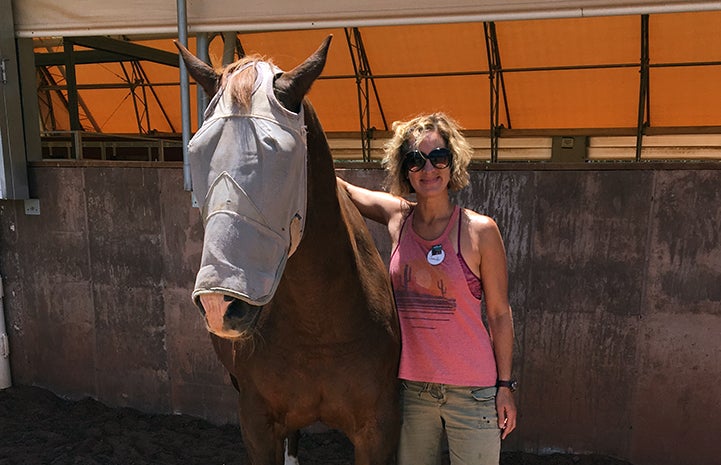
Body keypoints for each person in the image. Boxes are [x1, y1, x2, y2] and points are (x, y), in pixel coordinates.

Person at [337, 112, 517, 465]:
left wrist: (505, 387)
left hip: (474, 392)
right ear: (404, 169)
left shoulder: (480, 231)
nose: (428, 169)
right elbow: (341, 188)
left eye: (439, 158)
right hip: (413, 391)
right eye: (416, 160)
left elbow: (498, 314)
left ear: (453, 162)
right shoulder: (397, 218)